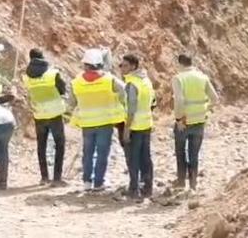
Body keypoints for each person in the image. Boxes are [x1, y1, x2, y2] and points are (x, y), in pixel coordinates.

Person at [70, 48, 127, 192]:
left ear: (85, 64)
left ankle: (86, 182)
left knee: (87, 152)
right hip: (105, 122)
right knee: (102, 153)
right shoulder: (110, 80)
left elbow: (71, 102)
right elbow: (124, 93)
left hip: (87, 123)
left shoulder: (77, 81)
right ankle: (99, 182)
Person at [172, 54, 219, 191]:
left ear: (180, 63)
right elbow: (215, 99)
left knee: (180, 152)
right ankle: (193, 184)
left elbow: (179, 100)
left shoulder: (178, 78)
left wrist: (179, 119)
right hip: (199, 120)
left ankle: (181, 182)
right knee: (194, 154)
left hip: (184, 122)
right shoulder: (202, 77)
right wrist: (206, 109)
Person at [22, 49, 67, 186]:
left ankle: (44, 177)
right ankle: (57, 178)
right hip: (54, 114)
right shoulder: (52, 74)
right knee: (59, 145)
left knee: (41, 145)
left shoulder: (26, 76)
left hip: (39, 114)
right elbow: (62, 90)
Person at [117, 54, 156, 200]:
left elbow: (131, 108)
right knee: (145, 157)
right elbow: (153, 102)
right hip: (146, 123)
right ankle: (148, 187)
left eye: (124, 65)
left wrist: (127, 129)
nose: (121, 68)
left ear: (133, 67)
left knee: (133, 158)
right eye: (121, 65)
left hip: (135, 126)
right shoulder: (146, 80)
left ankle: (134, 189)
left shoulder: (132, 83)